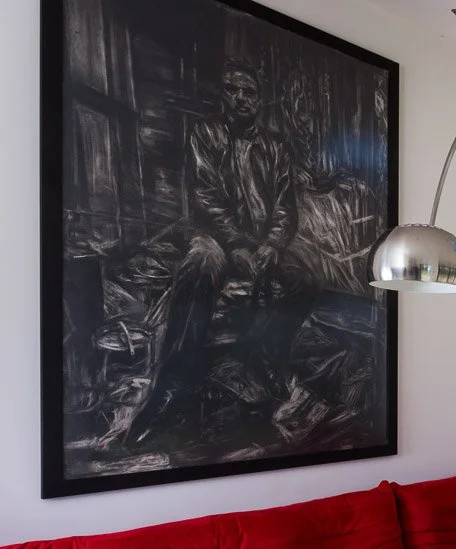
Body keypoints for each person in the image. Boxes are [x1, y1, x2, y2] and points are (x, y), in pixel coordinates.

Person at [126, 59, 317, 445]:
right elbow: (205, 197)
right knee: (200, 263)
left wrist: (272, 244)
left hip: (263, 244)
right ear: (223, 96)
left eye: (249, 92)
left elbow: (286, 206)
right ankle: (175, 386)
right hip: (216, 237)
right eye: (234, 90)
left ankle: (261, 356)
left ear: (260, 101)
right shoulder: (205, 134)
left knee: (308, 280)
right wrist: (238, 244)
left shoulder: (276, 146)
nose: (241, 98)